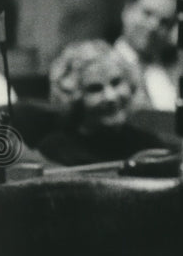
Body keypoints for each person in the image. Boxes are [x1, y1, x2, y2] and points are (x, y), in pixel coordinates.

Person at [36, 40, 168, 166]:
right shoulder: (56, 150)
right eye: (95, 89)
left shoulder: (149, 145)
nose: (111, 97)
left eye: (116, 82)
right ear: (73, 99)